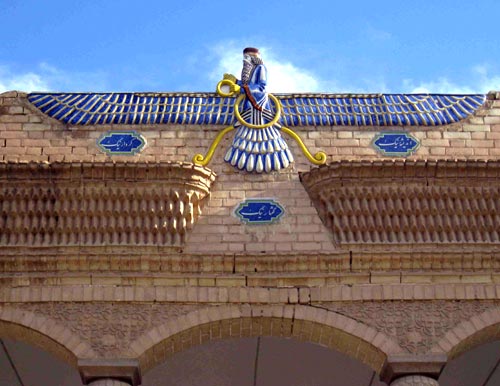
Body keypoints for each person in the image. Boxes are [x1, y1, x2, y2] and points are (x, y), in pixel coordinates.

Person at [224, 47, 293, 173]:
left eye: (247, 58)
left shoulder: (260, 68)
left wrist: (239, 89)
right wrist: (235, 82)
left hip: (259, 108)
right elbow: (247, 85)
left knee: (264, 139)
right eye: (244, 58)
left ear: (253, 58)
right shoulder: (250, 71)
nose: (244, 61)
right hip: (248, 111)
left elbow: (261, 88)